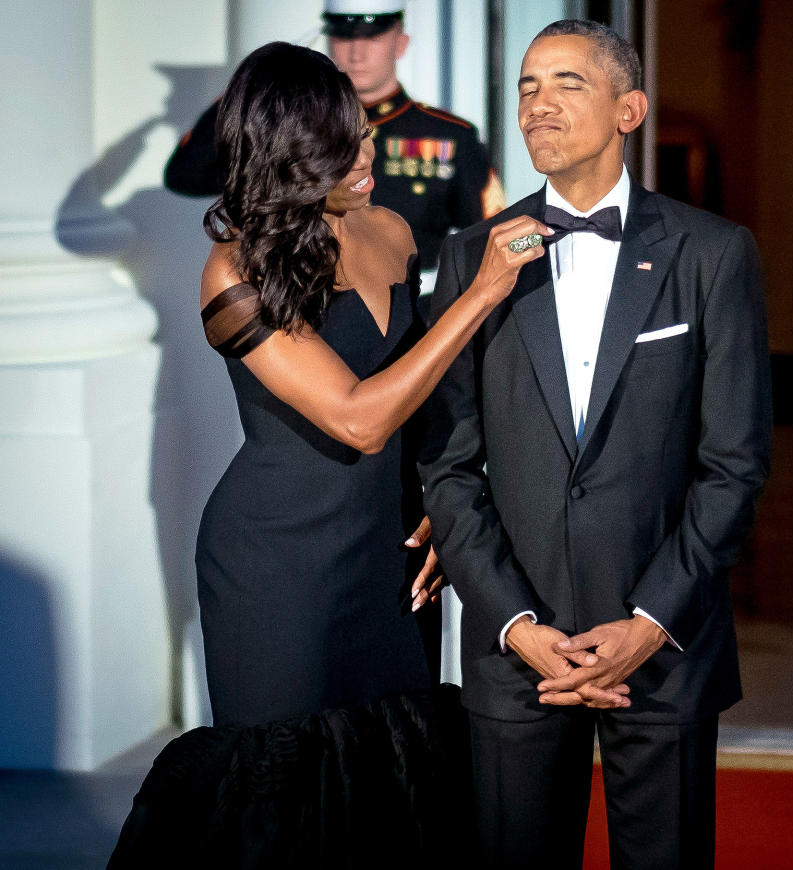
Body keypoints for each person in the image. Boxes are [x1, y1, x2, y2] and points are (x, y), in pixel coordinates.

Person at [108, 42, 549, 868]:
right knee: (284, 807)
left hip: (387, 558)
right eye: (347, 142)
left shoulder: (390, 229)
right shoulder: (231, 269)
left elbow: (420, 409)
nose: (370, 154)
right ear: (293, 152)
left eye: (368, 133)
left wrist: (437, 513)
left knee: (392, 787)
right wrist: (481, 293)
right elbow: (359, 420)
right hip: (277, 569)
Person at [419, 19, 772, 870]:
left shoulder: (713, 254)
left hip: (663, 645)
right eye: (527, 88)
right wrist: (514, 622)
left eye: (566, 84)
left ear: (629, 109)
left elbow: (735, 462)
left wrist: (650, 621)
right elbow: (446, 463)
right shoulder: (473, 255)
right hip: (518, 651)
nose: (538, 105)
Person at [164, 0, 504, 278]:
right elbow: (186, 176)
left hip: (418, 312)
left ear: (401, 42)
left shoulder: (449, 135)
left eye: (372, 37)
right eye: (344, 37)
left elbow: (492, 233)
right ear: (327, 41)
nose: (356, 53)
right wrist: (250, 88)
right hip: (309, 305)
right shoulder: (289, 130)